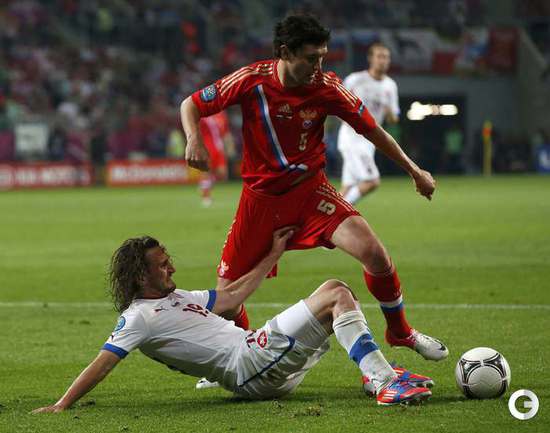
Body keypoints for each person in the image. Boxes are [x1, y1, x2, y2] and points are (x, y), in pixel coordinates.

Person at [180, 14, 448, 391]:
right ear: (285, 52)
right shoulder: (251, 80)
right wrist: (194, 139)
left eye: (322, 57)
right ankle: (238, 357)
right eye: (311, 58)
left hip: (310, 192)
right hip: (260, 201)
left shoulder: (327, 87)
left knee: (374, 253)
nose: (318, 67)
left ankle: (400, 332)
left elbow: (373, 130)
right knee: (227, 299)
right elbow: (190, 104)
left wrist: (414, 171)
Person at [32, 229, 434, 413]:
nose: (171, 267)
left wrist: (274, 253)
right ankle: (384, 381)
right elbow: (103, 362)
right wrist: (62, 404)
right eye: (162, 264)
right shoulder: (138, 317)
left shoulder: (178, 298)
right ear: (141, 276)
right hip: (248, 366)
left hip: (256, 357)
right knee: (335, 292)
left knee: (338, 302)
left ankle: (376, 375)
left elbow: (234, 296)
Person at [337, 42, 399, 205]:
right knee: (371, 181)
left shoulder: (390, 85)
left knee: (348, 187)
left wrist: (387, 109)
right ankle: (339, 213)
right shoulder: (355, 79)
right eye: (379, 56)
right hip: (353, 138)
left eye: (386, 57)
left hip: (370, 141)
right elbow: (337, 104)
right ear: (370, 59)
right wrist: (350, 122)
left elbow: (394, 119)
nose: (383, 60)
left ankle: (326, 215)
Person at [198, 110, 235, 206]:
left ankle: (206, 184)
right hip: (207, 147)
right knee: (206, 172)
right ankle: (206, 197)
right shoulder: (204, 115)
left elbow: (226, 132)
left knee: (223, 173)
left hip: (219, 148)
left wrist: (229, 147)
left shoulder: (222, 115)